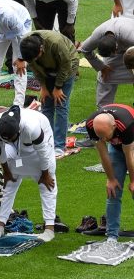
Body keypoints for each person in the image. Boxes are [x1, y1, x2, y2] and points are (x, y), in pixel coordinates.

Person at [0, 106, 58, 242]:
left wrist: (45, 173)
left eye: (12, 138)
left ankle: (50, 228)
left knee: (47, 185)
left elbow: (43, 152)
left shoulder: (32, 127)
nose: (8, 141)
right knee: (7, 185)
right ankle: (0, 224)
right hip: (14, 149)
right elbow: (0, 149)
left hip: (39, 146)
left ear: (18, 130)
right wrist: (6, 171)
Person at [19, 31, 78, 154]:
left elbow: (65, 65)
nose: (35, 59)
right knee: (46, 105)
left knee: (61, 104)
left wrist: (58, 87)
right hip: (47, 71)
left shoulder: (56, 43)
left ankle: (59, 146)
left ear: (41, 48)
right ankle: (46, 141)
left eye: (37, 57)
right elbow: (35, 68)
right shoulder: (27, 46)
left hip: (67, 66)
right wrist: (44, 87)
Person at [85, 104, 134, 242]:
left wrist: (133, 181)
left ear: (113, 127)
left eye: (106, 136)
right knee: (113, 191)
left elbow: (129, 155)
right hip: (117, 149)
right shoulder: (90, 124)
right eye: (101, 137)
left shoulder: (126, 124)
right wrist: (111, 179)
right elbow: (103, 152)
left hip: (132, 145)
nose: (105, 140)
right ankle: (112, 236)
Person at [78, 16, 134, 106]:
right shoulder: (97, 35)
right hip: (118, 48)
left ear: (116, 47)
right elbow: (85, 49)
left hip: (131, 49)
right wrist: (101, 67)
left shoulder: (130, 35)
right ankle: (103, 111)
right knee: (105, 76)